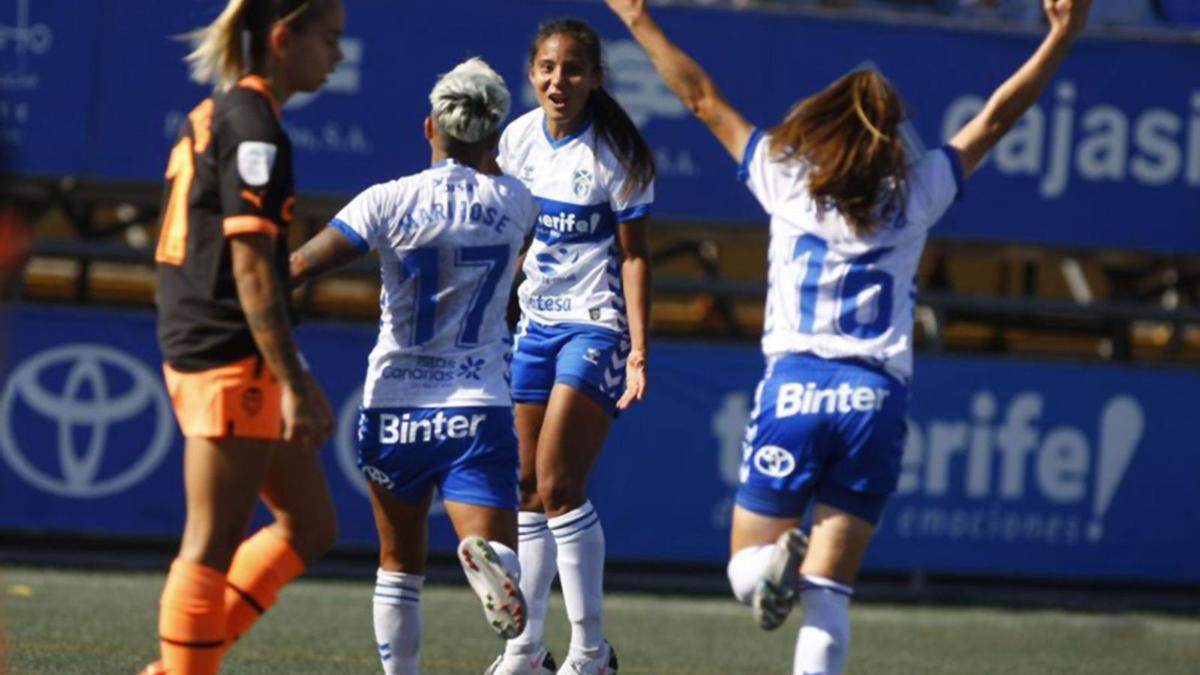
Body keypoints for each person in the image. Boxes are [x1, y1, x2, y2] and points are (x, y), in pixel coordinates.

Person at [604, 0, 1092, 673]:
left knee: (746, 570)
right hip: (874, 395)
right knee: (829, 596)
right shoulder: (918, 190)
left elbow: (700, 97)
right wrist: (1061, 39)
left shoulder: (783, 175)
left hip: (796, 386)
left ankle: (773, 563)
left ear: (820, 123)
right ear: (891, 139)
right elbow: (999, 115)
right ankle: (789, 572)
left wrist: (637, 18)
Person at [288, 57, 536, 675]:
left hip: (392, 402)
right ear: (493, 135)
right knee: (503, 550)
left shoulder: (387, 199)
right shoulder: (516, 201)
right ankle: (493, 562)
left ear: (429, 127)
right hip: (476, 403)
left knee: (397, 563)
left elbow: (299, 267)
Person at [143, 1, 344, 673]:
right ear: (285, 38)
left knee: (310, 524)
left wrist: (289, 371)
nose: (337, 56)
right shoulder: (252, 123)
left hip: (229, 346)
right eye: (330, 39)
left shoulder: (226, 112)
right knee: (212, 541)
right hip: (225, 352)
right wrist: (291, 379)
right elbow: (252, 269)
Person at [486, 17, 656, 675]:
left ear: (594, 78)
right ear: (532, 72)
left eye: (574, 69)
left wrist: (638, 352)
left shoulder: (620, 154)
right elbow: (511, 235)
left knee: (559, 480)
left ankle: (591, 652)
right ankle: (525, 649)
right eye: (549, 68)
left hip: (596, 327)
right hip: (535, 324)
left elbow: (636, 259)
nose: (560, 81)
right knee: (527, 486)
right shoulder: (517, 139)